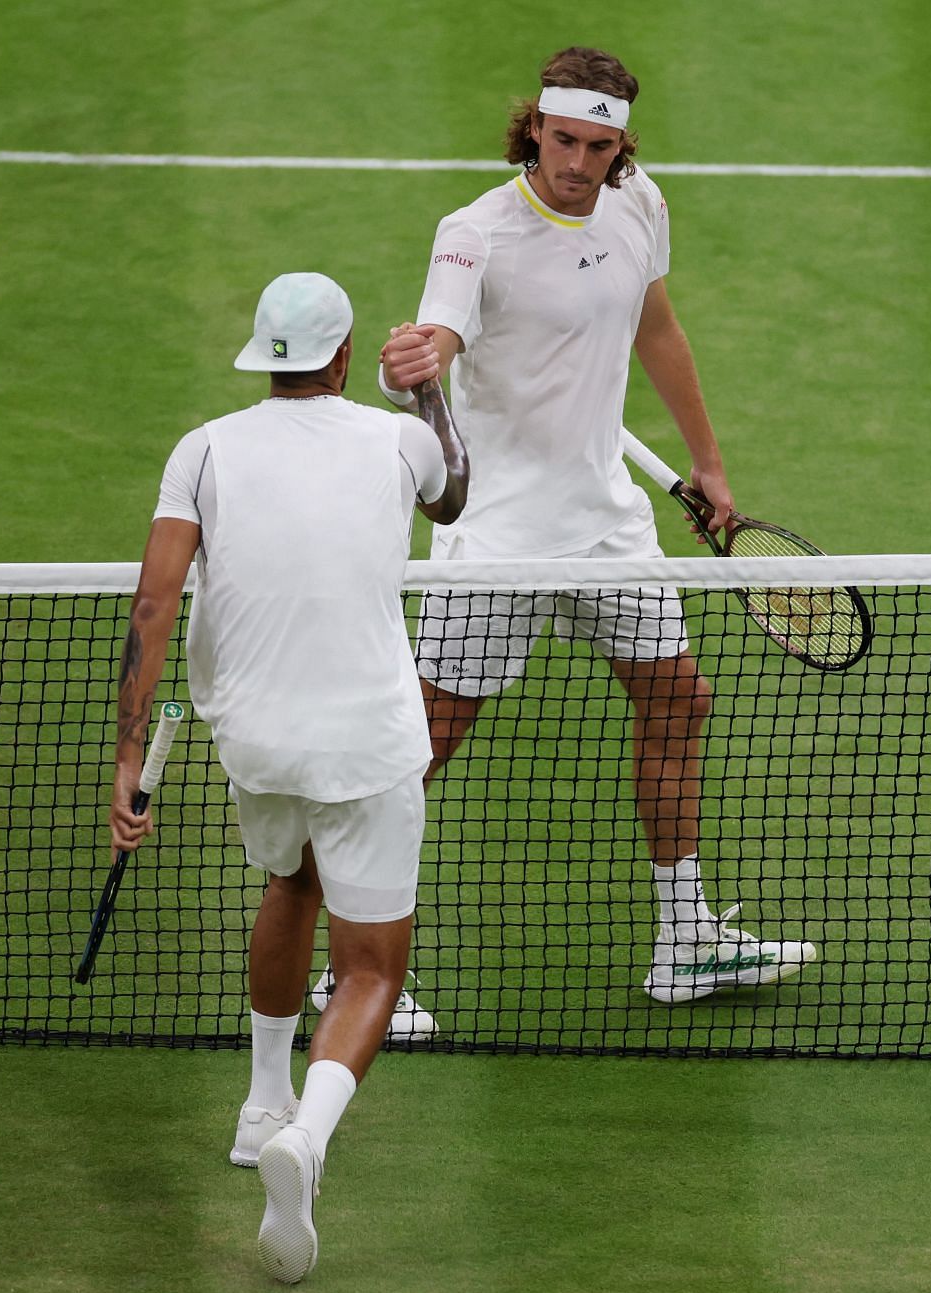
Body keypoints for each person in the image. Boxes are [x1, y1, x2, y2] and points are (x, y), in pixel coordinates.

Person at [371, 46, 816, 1022]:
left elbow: (654, 327)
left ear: (622, 143)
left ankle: (685, 940)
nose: (576, 162)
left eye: (598, 144)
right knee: (423, 744)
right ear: (534, 124)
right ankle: (345, 970)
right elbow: (440, 335)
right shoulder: (472, 233)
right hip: (498, 537)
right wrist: (420, 355)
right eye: (562, 138)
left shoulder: (640, 206)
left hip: (609, 521)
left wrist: (709, 464)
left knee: (679, 702)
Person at [110, 271, 467, 1285]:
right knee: (371, 970)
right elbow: (459, 491)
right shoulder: (397, 439)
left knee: (289, 884)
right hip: (367, 743)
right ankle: (302, 1140)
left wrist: (130, 757)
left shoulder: (205, 449)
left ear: (263, 353)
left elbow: (155, 600)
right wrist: (429, 394)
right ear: (346, 358)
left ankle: (261, 1101)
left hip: (255, 743)